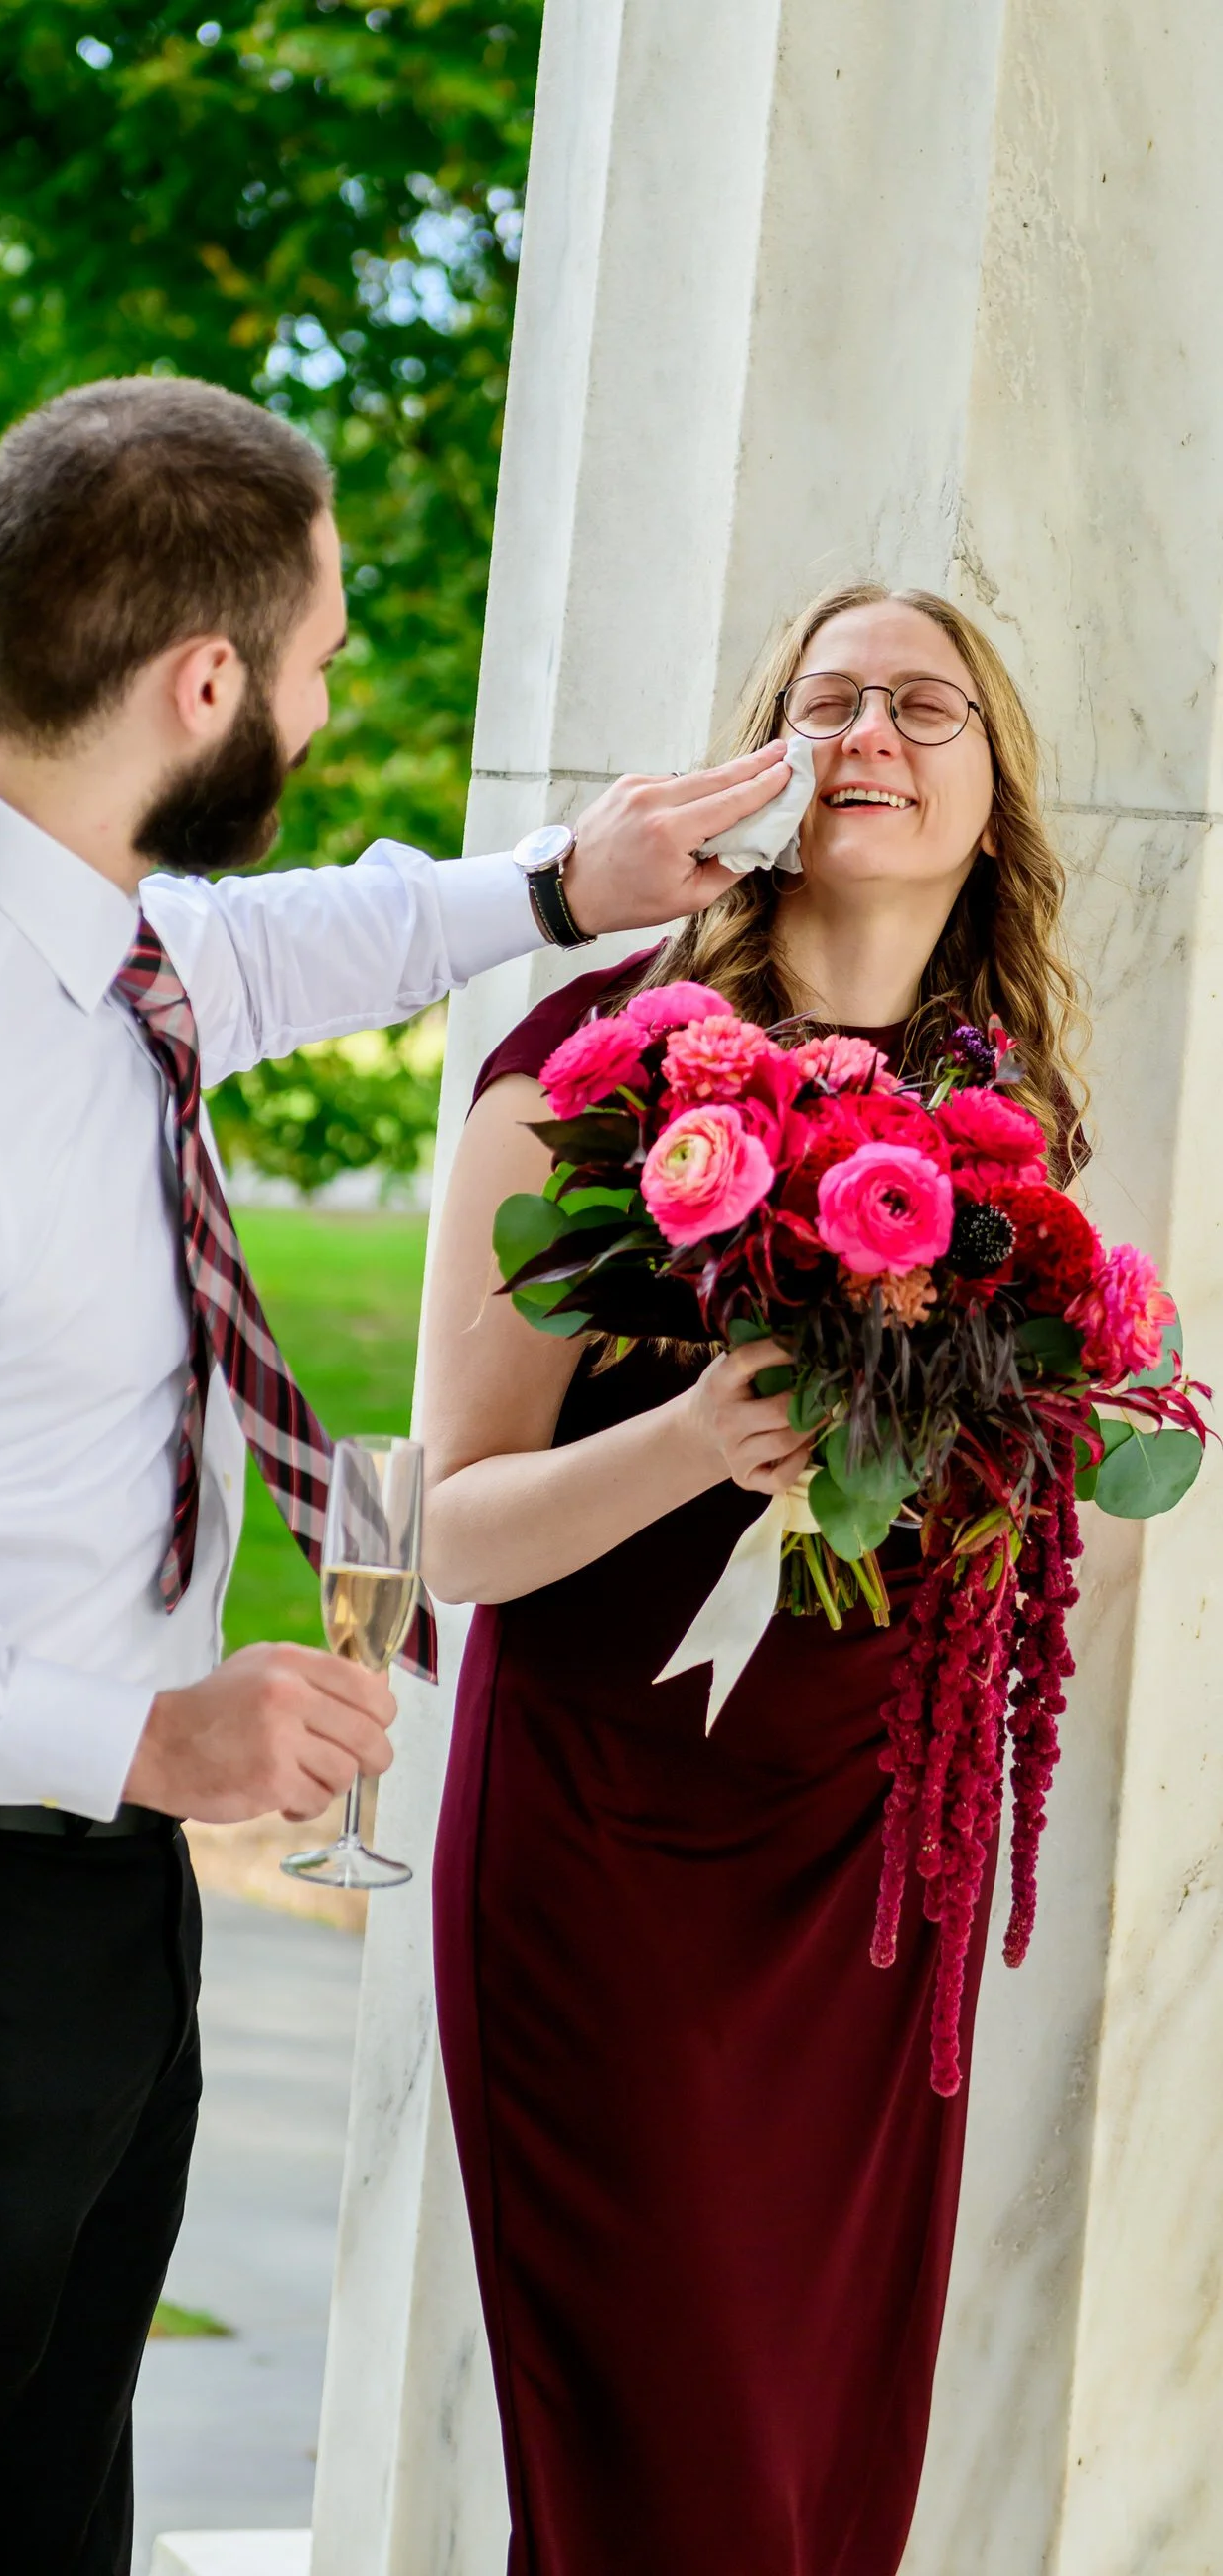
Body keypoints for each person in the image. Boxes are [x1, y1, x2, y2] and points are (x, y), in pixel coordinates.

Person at [0, 373, 794, 2576]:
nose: (333, 704)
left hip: (51, 1917)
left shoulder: (80, 931)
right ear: (206, 681)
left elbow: (256, 955)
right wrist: (147, 1730)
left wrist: (561, 886)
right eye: (328, 659)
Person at [422, 583, 1088, 2576]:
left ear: (993, 794)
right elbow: (447, 1522)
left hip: (877, 1892)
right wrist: (692, 1438)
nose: (875, 734)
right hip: (610, 1864)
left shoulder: (1014, 1122)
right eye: (829, 703)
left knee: (811, 2501)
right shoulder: (585, 1074)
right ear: (768, 768)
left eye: (925, 706)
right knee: (662, 2491)